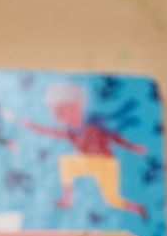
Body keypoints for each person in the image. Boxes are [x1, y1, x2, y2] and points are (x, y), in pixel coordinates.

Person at [23, 81, 148, 219]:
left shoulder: (93, 124)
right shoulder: (71, 132)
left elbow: (113, 137)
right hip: (89, 163)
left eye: (61, 110)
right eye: (57, 112)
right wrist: (33, 126)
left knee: (112, 200)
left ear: (76, 106)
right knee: (66, 163)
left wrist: (133, 147)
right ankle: (67, 200)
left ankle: (138, 208)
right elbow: (51, 131)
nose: (59, 116)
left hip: (106, 164)